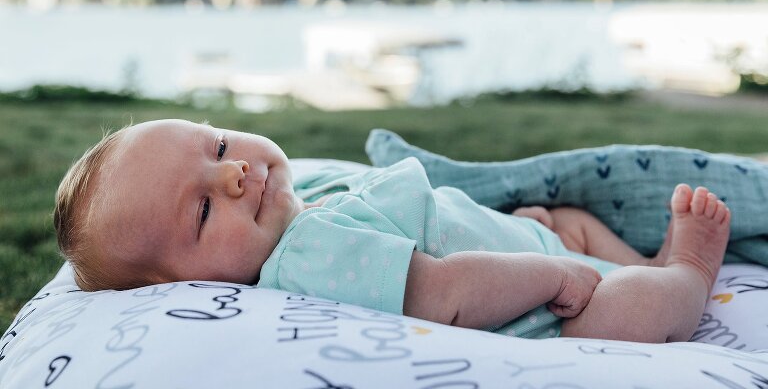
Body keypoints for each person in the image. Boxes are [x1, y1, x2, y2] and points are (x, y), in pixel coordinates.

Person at [53, 119, 731, 342]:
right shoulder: (303, 260)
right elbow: (442, 295)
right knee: (628, 307)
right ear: (186, 284)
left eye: (220, 144)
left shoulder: (300, 210)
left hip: (524, 250)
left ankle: (644, 256)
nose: (233, 175)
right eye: (202, 211)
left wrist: (528, 237)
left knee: (568, 222)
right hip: (547, 308)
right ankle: (685, 275)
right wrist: (549, 274)